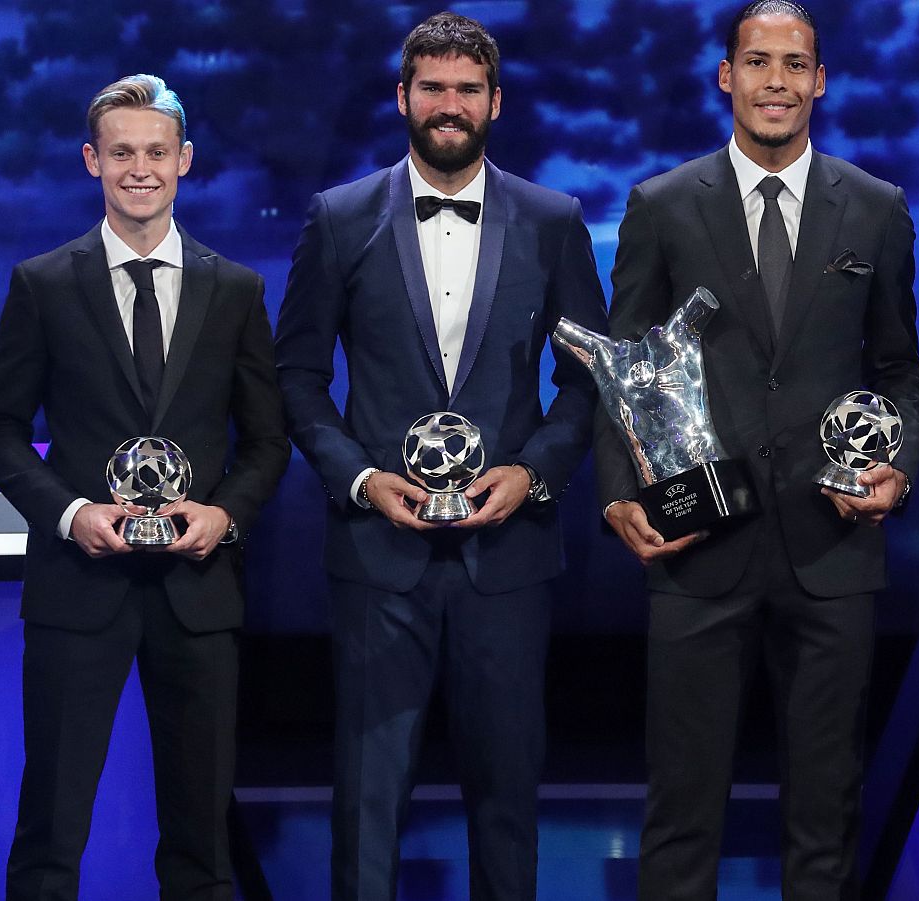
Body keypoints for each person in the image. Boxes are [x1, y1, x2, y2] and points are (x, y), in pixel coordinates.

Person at [272, 12, 607, 900]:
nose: (449, 106)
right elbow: (297, 377)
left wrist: (533, 472)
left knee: (508, 795)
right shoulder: (338, 218)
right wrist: (360, 477)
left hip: (510, 554)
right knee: (368, 798)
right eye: (433, 88)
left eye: (466, 90)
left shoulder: (551, 218)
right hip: (379, 557)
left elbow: (587, 383)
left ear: (495, 102)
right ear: (403, 97)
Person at [596, 2, 919, 896]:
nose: (775, 81)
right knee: (682, 806)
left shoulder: (876, 207)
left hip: (833, 546)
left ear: (820, 80)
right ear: (726, 75)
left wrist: (898, 470)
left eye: (794, 64)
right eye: (757, 62)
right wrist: (619, 494)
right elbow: (623, 369)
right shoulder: (662, 206)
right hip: (699, 543)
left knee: (826, 810)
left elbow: (899, 371)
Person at [0, 74, 289, 900]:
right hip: (80, 588)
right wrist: (70, 513)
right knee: (50, 831)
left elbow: (266, 438)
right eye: (121, 153)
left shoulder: (236, 289)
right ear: (92, 160)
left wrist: (225, 512)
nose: (138, 168)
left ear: (184, 160)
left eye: (155, 152)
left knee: (200, 837)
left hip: (198, 589)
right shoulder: (42, 284)